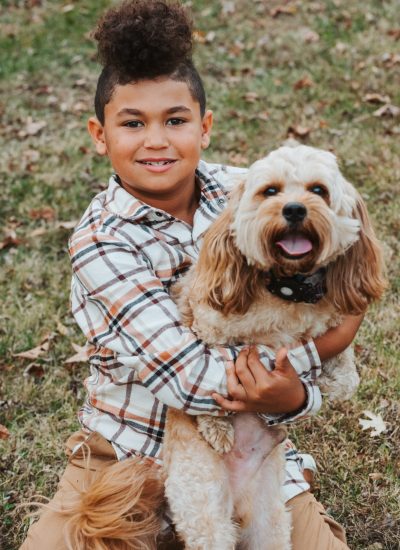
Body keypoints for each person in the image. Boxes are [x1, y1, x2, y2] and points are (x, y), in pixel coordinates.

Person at [21, 1, 363, 549]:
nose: (156, 140)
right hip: (126, 452)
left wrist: (299, 396)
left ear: (204, 127)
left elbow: (339, 263)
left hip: (252, 448)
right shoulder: (100, 242)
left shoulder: (253, 191)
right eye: (133, 123)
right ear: (99, 135)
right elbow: (192, 380)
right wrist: (321, 352)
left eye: (175, 120)